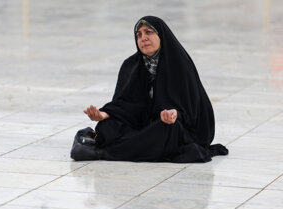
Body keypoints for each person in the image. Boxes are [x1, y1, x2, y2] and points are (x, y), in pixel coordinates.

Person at [71, 16, 228, 163]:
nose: (143, 38)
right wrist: (104, 114)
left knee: (166, 130)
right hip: (143, 126)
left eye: (149, 32)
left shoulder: (180, 65)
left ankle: (102, 152)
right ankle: (103, 140)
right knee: (107, 126)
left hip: (174, 127)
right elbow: (126, 105)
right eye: (138, 35)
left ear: (161, 36)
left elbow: (192, 111)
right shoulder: (131, 66)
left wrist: (175, 115)